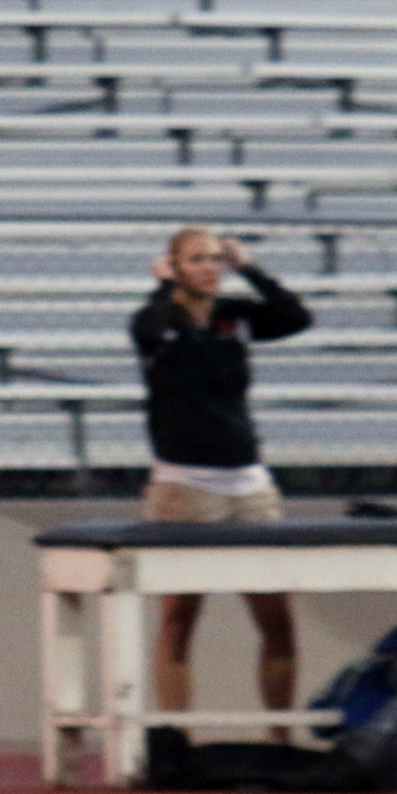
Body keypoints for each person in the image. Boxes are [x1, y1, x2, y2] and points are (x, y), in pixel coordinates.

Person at [133, 227, 313, 744]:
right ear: (174, 266)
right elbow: (154, 332)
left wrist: (252, 269)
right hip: (185, 485)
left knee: (276, 617)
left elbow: (295, 318)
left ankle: (281, 735)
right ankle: (179, 738)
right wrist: (163, 290)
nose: (210, 267)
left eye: (216, 258)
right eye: (197, 259)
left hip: (246, 481)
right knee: (180, 618)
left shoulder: (235, 316)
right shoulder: (160, 319)